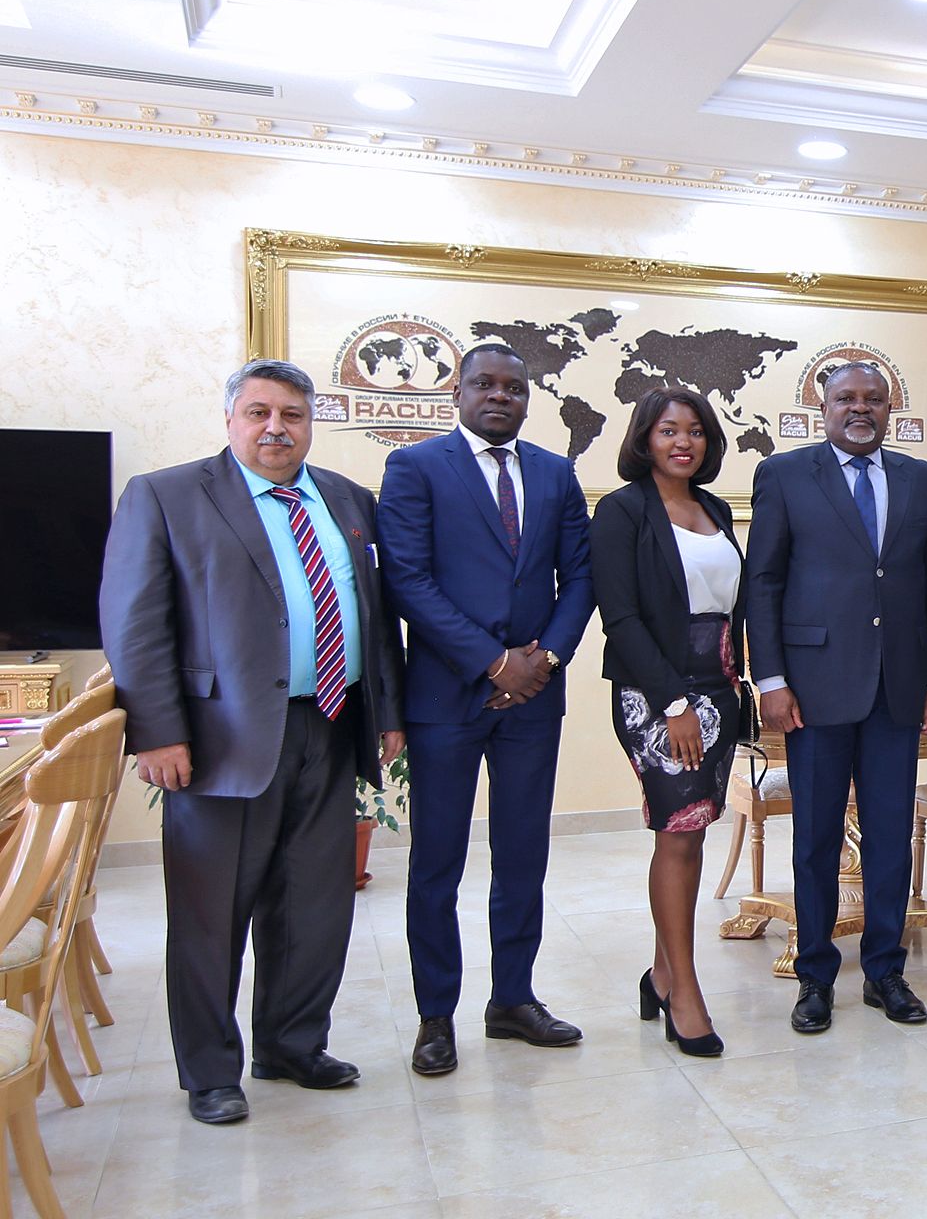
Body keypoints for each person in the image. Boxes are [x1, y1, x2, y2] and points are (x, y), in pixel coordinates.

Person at [99, 360, 406, 1125]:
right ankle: (210, 1070)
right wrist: (157, 730)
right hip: (217, 741)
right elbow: (134, 625)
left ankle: (292, 1045)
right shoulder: (167, 495)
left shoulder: (344, 498)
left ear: (311, 422)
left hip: (329, 726)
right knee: (211, 915)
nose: (277, 428)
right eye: (259, 413)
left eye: (293, 415)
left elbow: (376, 615)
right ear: (231, 419)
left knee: (315, 904)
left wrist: (387, 713)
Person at [378, 344, 595, 1075]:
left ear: (528, 398)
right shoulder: (415, 468)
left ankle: (513, 998)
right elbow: (406, 579)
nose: (499, 396)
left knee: (523, 854)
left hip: (534, 700)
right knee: (437, 861)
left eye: (512, 387)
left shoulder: (555, 471)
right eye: (484, 384)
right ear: (458, 392)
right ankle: (435, 1015)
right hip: (446, 696)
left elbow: (581, 577)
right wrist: (493, 661)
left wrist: (544, 661)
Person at [744, 360, 927, 1035]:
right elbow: (764, 584)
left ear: (890, 408)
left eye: (873, 399)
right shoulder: (783, 475)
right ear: (823, 406)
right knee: (815, 840)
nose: (860, 409)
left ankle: (886, 972)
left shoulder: (921, 480)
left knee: (892, 836)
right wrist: (770, 680)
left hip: (897, 686)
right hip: (812, 690)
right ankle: (815, 976)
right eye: (846, 399)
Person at [591, 388, 744, 1058]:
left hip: (721, 687)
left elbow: (731, 604)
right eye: (667, 430)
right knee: (677, 834)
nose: (683, 442)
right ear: (644, 439)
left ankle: (659, 973)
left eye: (695, 431)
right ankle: (684, 991)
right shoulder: (622, 511)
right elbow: (620, 618)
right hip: (659, 697)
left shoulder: (713, 508)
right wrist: (675, 705)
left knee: (695, 831)